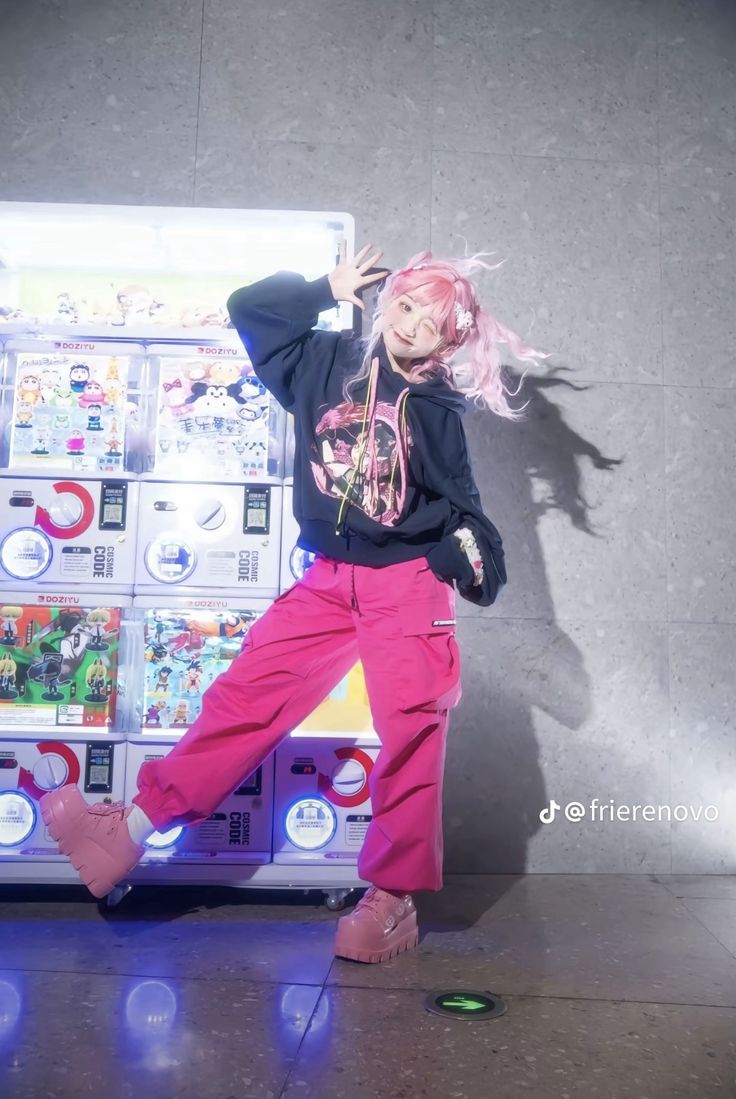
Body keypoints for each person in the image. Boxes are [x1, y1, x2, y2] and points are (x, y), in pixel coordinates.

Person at [41, 242, 549, 964]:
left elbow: (474, 528)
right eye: (404, 304)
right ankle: (128, 829)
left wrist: (446, 555)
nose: (408, 326)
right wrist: (324, 285)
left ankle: (391, 900)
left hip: (404, 585)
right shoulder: (326, 361)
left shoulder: (435, 411)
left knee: (409, 735)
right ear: (386, 300)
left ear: (449, 340)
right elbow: (251, 309)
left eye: (429, 322)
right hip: (328, 577)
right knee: (245, 696)